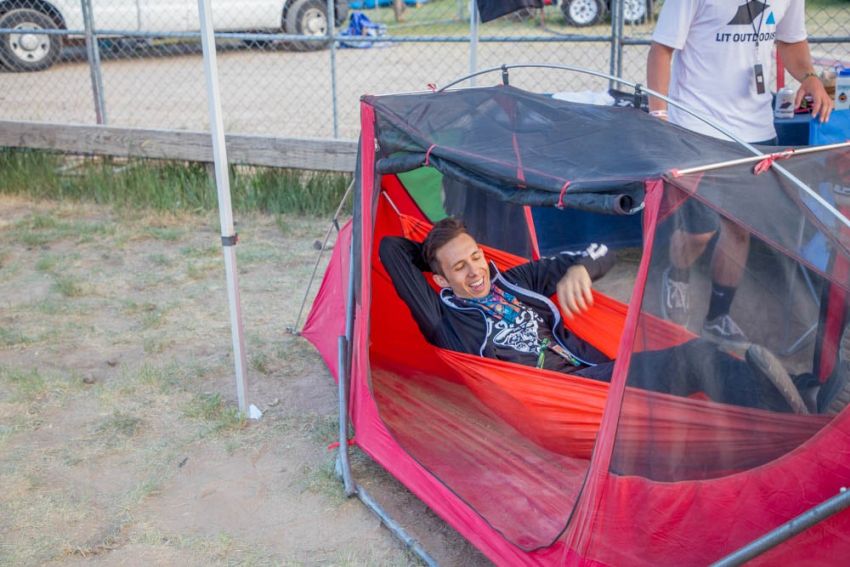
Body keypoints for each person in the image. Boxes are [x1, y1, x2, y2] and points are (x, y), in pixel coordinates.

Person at [378, 217, 849, 414]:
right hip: (554, 400)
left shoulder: (515, 279)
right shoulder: (443, 320)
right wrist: (430, 253)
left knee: (697, 364)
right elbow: (390, 249)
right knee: (693, 360)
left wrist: (580, 268)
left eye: (476, 256)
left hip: (596, 376)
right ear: (440, 281)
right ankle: (800, 401)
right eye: (459, 267)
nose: (475, 270)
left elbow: (600, 248)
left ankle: (804, 394)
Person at [646, 0, 834, 346]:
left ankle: (718, 318)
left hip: (757, 131)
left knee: (740, 230)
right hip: (696, 128)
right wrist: (660, 120)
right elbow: (661, 50)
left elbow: (791, 41)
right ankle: (678, 276)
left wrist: (809, 78)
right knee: (698, 234)